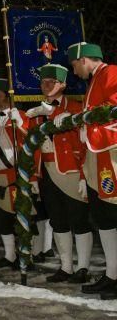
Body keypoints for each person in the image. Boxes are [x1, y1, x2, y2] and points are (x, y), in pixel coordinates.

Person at [25, 64, 92, 283]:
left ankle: (83, 268)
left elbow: (84, 143)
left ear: (62, 84)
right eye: (43, 82)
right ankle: (66, 267)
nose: (45, 85)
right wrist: (33, 177)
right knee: (58, 220)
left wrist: (84, 175)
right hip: (47, 173)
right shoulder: (37, 113)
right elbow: (32, 148)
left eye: (51, 82)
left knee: (79, 220)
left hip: (71, 171)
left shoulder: (75, 107)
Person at [64, 42, 117, 299]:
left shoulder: (111, 73)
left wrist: (87, 122)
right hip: (97, 157)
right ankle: (112, 275)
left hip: (111, 154)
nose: (74, 72)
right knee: (104, 218)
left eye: (74, 65)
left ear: (84, 59)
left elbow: (113, 106)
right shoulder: (94, 81)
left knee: (112, 214)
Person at [0, 78, 33, 271]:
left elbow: (31, 140)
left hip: (16, 173)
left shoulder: (19, 115)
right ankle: (9, 255)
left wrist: (19, 123)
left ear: (8, 96)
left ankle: (27, 256)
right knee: (2, 217)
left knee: (22, 215)